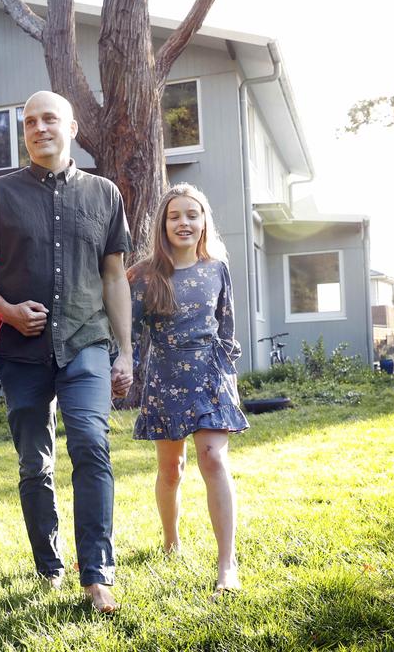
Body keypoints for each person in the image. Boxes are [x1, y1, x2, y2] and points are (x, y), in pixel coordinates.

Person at [0, 90, 133, 614]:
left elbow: (115, 277)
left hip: (86, 341)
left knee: (92, 446)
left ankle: (97, 574)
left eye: (49, 118)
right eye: (29, 122)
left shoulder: (104, 193)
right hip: (22, 353)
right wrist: (5, 312)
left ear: (71, 127)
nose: (38, 128)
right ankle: (50, 565)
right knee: (35, 463)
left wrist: (125, 353)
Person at [127, 183, 246, 594]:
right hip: (166, 377)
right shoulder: (143, 276)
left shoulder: (217, 268)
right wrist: (125, 369)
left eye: (192, 214)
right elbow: (130, 332)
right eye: (175, 216)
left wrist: (229, 374)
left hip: (211, 373)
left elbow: (227, 325)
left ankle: (226, 564)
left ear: (203, 221)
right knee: (170, 469)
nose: (184, 222)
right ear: (163, 223)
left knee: (213, 459)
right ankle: (170, 541)